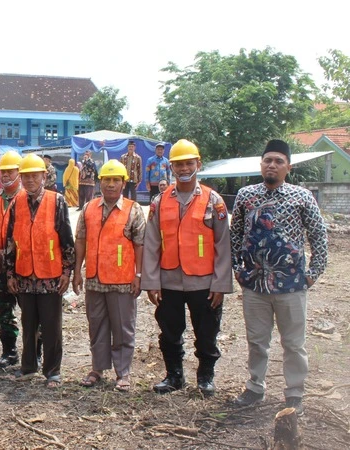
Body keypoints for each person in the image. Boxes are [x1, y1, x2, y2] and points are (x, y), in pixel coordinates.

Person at [231, 139, 328, 416]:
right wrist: (238, 269)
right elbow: (234, 234)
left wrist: (312, 274)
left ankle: (294, 393)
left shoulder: (302, 197)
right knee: (256, 341)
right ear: (261, 164)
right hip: (254, 285)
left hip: (292, 285)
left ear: (288, 167)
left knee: (293, 343)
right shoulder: (246, 196)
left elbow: (319, 236)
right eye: (268, 160)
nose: (272, 165)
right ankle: (254, 387)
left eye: (278, 161)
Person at [141, 139, 232, 397]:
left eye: (188, 163)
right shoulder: (160, 202)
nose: (183, 169)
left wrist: (220, 284)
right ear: (171, 167)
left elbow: (223, 245)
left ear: (198, 165)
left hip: (204, 282)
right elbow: (152, 243)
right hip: (169, 280)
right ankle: (174, 376)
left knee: (207, 332)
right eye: (178, 164)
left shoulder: (213, 200)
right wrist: (151, 281)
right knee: (169, 331)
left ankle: (205, 377)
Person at [72, 160, 145, 392]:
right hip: (94, 280)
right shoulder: (88, 208)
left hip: (122, 280)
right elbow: (80, 240)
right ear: (99, 182)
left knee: (123, 327)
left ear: (123, 183)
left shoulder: (133, 209)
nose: (111, 184)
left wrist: (139, 275)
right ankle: (97, 368)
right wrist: (77, 271)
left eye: (116, 180)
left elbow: (140, 244)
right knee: (97, 325)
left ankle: (123, 372)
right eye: (107, 180)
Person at [5, 153, 75, 388]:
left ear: (44, 176)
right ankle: (28, 367)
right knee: (28, 325)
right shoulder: (16, 203)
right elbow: (10, 242)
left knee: (51, 326)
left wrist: (67, 272)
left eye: (34, 176)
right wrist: (10, 273)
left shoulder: (57, 201)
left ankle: (52, 371)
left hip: (50, 276)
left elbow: (66, 239)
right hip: (24, 275)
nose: (30, 180)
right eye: (26, 176)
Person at [0, 151, 23, 369]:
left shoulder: (26, 199)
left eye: (10, 171)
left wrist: (11, 254)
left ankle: (35, 353)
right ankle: (9, 352)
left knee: (30, 311)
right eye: (3, 172)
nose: (6, 175)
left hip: (23, 266)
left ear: (20, 172)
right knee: (3, 310)